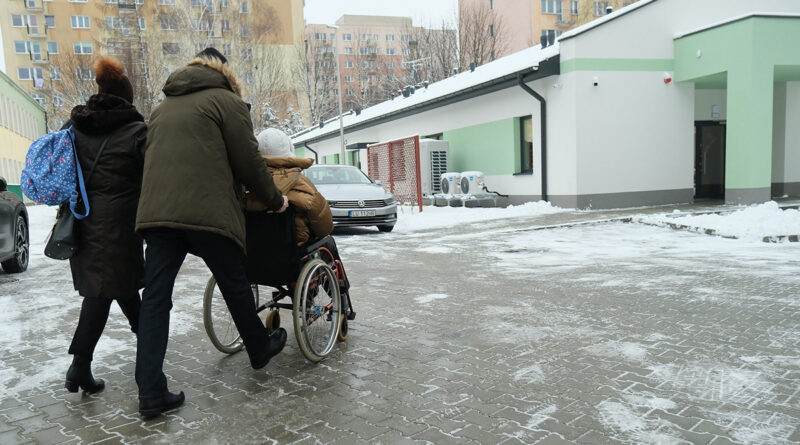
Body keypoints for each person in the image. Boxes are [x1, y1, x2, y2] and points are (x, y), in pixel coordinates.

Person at [134, 48, 289, 418]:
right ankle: (258, 348)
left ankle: (150, 392)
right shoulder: (226, 102)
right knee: (234, 281)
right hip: (206, 210)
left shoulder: (160, 108)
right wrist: (274, 200)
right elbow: (249, 160)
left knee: (155, 300)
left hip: (158, 216)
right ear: (225, 72)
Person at [64, 57, 147, 395]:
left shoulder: (75, 127)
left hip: (84, 222)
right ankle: (79, 365)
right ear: (126, 100)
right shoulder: (136, 132)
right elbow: (149, 178)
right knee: (103, 293)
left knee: (116, 288)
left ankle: (147, 352)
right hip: (118, 227)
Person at [246, 128, 333, 246]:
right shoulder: (303, 184)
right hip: (294, 251)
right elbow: (324, 228)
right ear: (289, 150)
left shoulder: (245, 182)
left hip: (251, 251)